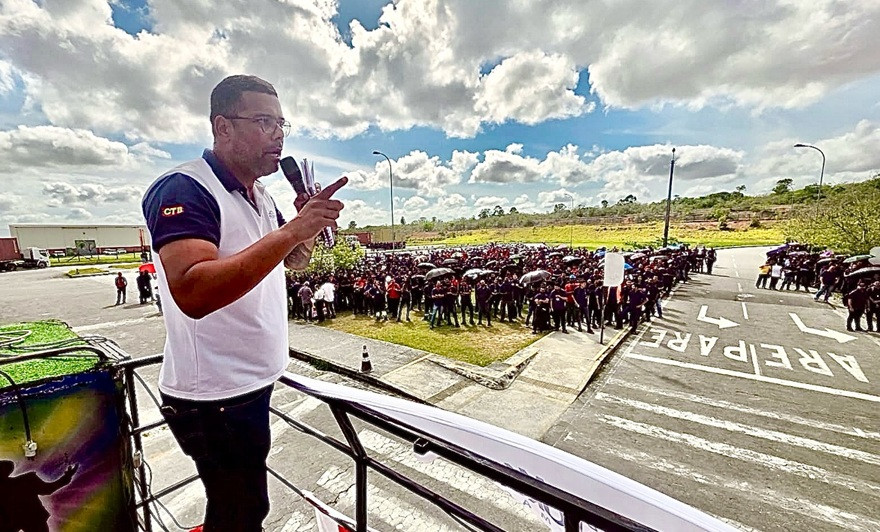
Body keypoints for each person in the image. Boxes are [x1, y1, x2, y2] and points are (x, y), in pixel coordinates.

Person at [141, 75, 346, 532]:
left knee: (241, 507)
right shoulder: (183, 188)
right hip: (215, 396)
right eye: (264, 122)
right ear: (223, 127)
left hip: (247, 385)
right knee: (241, 512)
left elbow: (293, 261)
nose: (278, 135)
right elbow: (193, 291)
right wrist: (291, 231)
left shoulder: (262, 195)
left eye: (281, 124)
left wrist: (305, 227)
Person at [0, 460, 78, 532]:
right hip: (12, 522)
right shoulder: (26, 480)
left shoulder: (26, 481)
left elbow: (48, 489)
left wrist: (66, 477)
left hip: (33, 518)